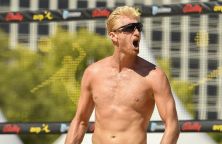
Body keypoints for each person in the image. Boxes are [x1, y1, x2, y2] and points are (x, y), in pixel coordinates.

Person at [65, 6, 179, 144]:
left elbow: (172, 126)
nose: (136, 33)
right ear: (114, 36)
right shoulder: (92, 73)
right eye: (130, 28)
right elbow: (80, 121)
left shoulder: (154, 76)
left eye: (138, 27)